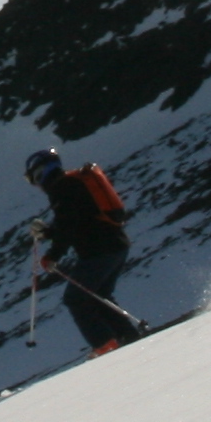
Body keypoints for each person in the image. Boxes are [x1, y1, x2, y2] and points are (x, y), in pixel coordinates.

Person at [23, 146, 143, 353]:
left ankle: (105, 345)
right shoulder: (71, 182)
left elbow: (69, 226)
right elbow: (78, 221)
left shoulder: (61, 188)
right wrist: (49, 233)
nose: (35, 184)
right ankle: (128, 338)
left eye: (32, 178)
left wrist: (53, 255)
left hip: (99, 251)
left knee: (75, 298)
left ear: (40, 172)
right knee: (99, 295)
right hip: (116, 246)